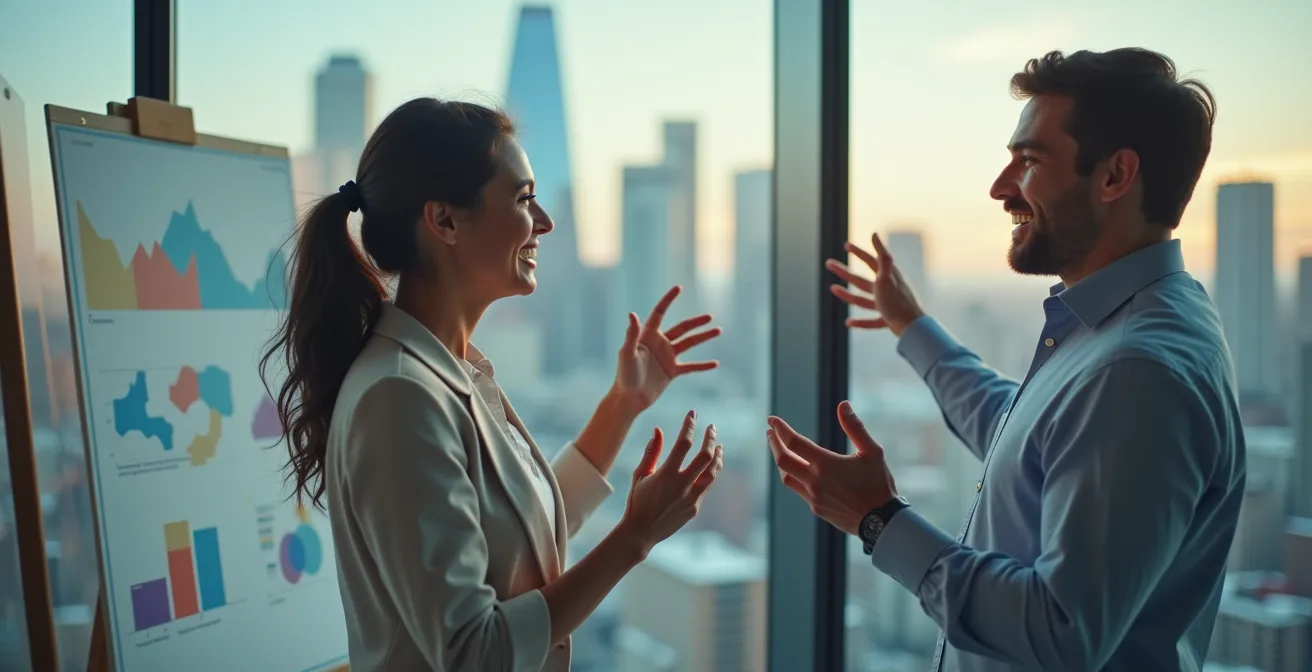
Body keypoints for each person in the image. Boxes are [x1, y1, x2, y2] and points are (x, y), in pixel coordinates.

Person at [765, 48, 1246, 671]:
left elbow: (1060, 633)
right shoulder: (1131, 324)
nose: (999, 187)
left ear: (1114, 176)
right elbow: (1023, 435)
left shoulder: (1133, 370)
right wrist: (911, 326)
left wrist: (879, 520)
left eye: (1029, 160)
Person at [260, 98, 727, 672]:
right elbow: (473, 653)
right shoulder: (399, 397)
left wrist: (624, 404)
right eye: (524, 199)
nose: (545, 223)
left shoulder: (450, 371)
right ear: (445, 221)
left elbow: (518, 533)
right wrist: (633, 537)